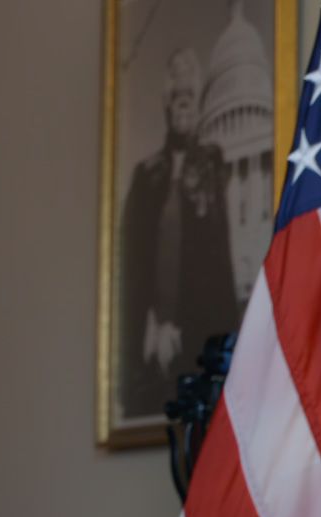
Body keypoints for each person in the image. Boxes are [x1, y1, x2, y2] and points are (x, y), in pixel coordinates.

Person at [118, 47, 239, 424]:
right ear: (166, 107)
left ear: (201, 106)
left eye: (190, 97)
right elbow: (132, 268)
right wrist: (152, 326)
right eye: (176, 98)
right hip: (153, 340)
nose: (183, 106)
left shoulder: (211, 164)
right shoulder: (146, 174)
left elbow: (219, 265)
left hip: (201, 336)